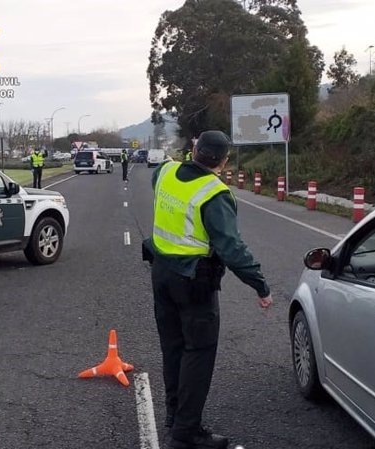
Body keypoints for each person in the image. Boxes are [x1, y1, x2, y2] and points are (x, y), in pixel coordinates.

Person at [144, 130, 273, 449]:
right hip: (193, 283)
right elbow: (231, 247)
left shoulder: (166, 171)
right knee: (197, 353)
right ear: (223, 160)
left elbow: (158, 185)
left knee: (173, 349)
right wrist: (260, 285)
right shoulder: (214, 193)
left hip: (162, 274)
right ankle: (186, 432)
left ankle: (175, 417)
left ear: (194, 149)